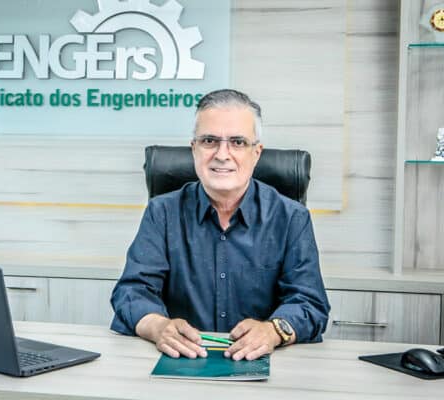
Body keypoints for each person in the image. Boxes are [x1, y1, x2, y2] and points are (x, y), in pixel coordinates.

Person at [110, 89, 330, 361]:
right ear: (194, 149)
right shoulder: (162, 213)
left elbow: (310, 303)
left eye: (237, 142)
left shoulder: (291, 218)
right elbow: (131, 291)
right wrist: (158, 327)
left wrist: (273, 331)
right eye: (209, 141)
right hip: (182, 361)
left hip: (262, 364)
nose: (222, 154)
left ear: (256, 153)